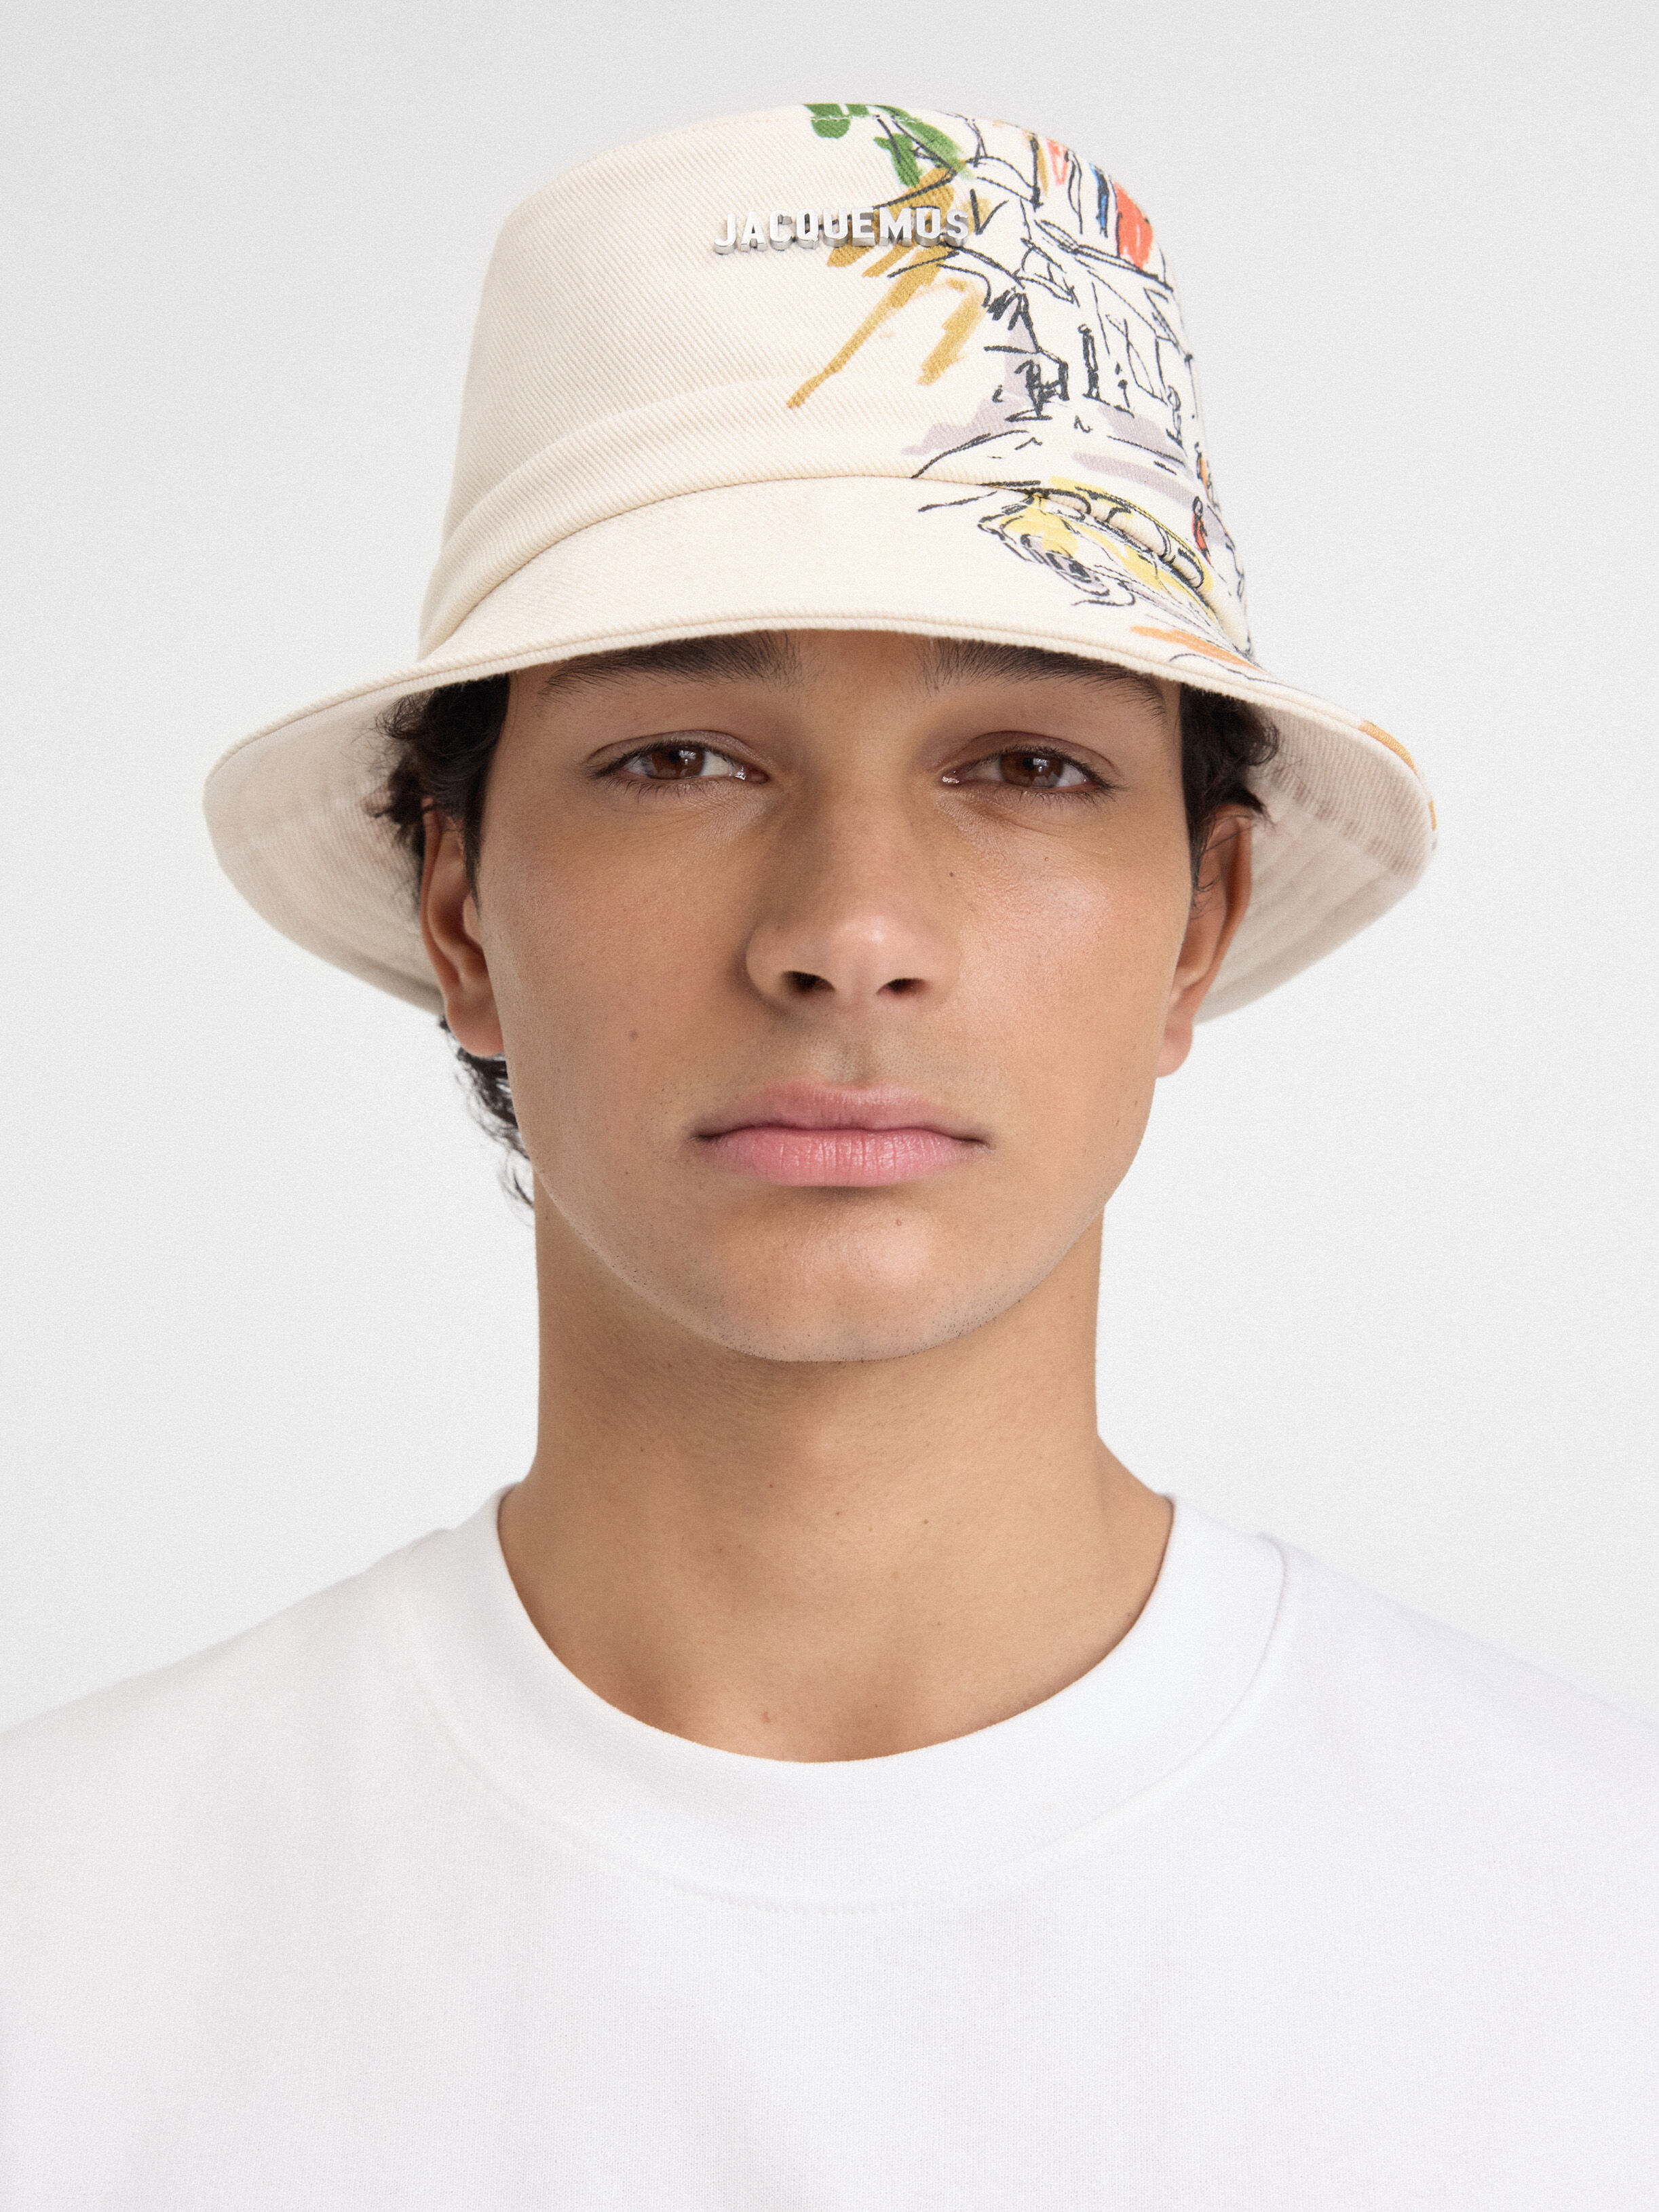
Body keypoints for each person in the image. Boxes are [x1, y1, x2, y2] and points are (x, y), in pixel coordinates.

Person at [1, 102, 1654, 2211]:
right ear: (457, 907)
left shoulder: (1589, 1943)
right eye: (679, 756)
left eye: (1027, 762)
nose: (850, 931)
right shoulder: (62, 1941)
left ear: (1202, 925)